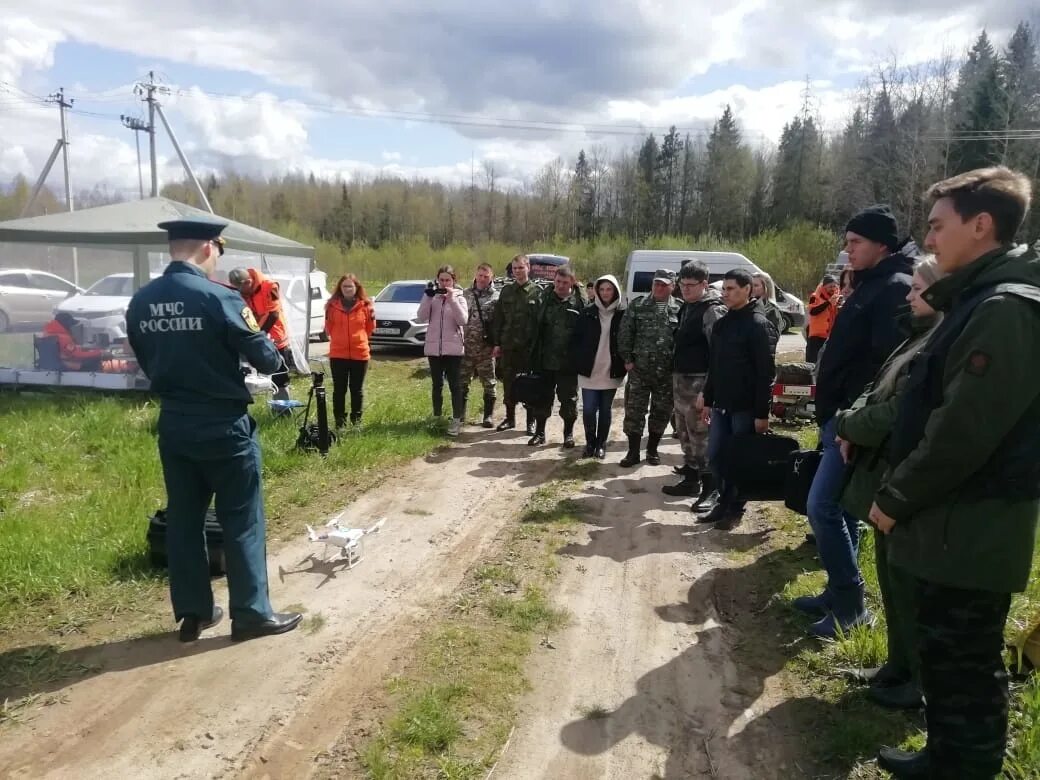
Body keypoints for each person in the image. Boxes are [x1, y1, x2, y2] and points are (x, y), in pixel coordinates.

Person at [867, 167, 1040, 780]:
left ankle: (961, 767)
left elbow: (962, 433)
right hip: (953, 520)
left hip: (972, 522)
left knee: (965, 661)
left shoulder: (1003, 311)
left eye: (938, 226)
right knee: (946, 655)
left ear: (981, 224)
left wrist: (894, 497)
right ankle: (946, 758)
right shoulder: (976, 302)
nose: (930, 240)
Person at [126, 217, 302, 643]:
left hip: (174, 423)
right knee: (241, 518)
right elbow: (266, 358)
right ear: (209, 247)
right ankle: (251, 614)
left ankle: (193, 613)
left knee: (185, 520)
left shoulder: (141, 301)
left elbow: (145, 357)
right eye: (219, 250)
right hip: (223, 425)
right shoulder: (218, 296)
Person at [795, 204, 914, 640]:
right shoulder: (870, 283)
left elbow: (887, 367)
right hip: (839, 417)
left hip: (853, 421)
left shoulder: (894, 287)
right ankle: (837, 592)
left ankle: (851, 605)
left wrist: (853, 422)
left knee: (821, 506)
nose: (847, 252)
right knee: (842, 509)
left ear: (882, 244)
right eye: (846, 243)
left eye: (855, 243)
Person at [833, 257, 945, 714]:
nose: (907, 295)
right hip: (883, 476)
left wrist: (848, 425)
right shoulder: (914, 338)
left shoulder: (939, 343)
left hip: (907, 479)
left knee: (908, 586)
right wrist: (849, 421)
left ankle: (916, 681)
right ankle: (896, 666)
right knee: (890, 580)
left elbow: (898, 411)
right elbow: (875, 389)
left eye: (917, 289)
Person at [695, 268, 777, 530]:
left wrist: (762, 414)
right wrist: (707, 399)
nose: (725, 293)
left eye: (731, 289)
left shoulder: (758, 325)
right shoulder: (722, 324)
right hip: (721, 406)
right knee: (717, 457)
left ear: (747, 290)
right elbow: (714, 368)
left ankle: (734, 508)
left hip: (745, 408)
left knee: (740, 461)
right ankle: (723, 501)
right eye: (724, 289)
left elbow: (766, 374)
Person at [663, 261, 726, 499]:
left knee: (701, 437)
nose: (685, 289)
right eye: (682, 284)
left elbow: (718, 355)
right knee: (684, 433)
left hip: (699, 384)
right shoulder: (686, 307)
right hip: (681, 382)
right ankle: (691, 480)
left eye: (691, 285)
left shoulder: (711, 310)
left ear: (704, 284)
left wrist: (707, 392)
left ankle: (710, 489)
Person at [617, 268, 682, 467]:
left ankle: (652, 450)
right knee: (634, 412)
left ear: (673, 286)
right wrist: (627, 360)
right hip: (639, 371)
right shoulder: (638, 305)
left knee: (661, 413)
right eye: (657, 283)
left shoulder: (680, 308)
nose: (659, 287)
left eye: (664, 284)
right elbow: (625, 333)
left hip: (666, 373)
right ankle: (633, 452)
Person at [527, 265, 584, 446]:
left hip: (568, 363)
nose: (560, 285)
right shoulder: (544, 299)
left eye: (564, 282)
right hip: (544, 360)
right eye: (558, 281)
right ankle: (540, 433)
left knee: (568, 400)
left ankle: (568, 434)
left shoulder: (579, 303)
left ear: (572, 283)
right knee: (542, 398)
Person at [573, 274, 626, 458]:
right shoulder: (587, 313)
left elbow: (627, 340)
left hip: (611, 370)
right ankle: (590, 443)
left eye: (609, 289)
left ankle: (601, 444)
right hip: (589, 370)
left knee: (605, 409)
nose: (605, 293)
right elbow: (576, 340)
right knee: (588, 409)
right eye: (602, 289)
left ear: (615, 291)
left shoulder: (622, 314)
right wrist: (578, 359)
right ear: (596, 291)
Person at [492, 254, 543, 434]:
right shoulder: (506, 291)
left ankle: (530, 422)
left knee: (529, 385)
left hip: (528, 349)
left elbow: (540, 322)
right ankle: (510, 418)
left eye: (521, 268)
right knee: (508, 384)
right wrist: (497, 344)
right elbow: (499, 319)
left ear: (528, 267)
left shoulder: (537, 292)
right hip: (508, 348)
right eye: (514, 269)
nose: (518, 272)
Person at [417, 265, 469, 437]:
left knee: (455, 385)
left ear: (454, 281)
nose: (444, 283)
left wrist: (452, 299)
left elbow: (462, 320)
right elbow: (421, 316)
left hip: (453, 349)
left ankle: (456, 420)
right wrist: (427, 296)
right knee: (436, 385)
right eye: (441, 280)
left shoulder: (460, 298)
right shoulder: (433, 298)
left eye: (448, 280)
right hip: (434, 349)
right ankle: (437, 417)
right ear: (437, 280)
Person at [227, 267, 294, 401]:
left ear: (248, 282)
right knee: (254, 378)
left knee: (279, 377)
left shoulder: (270, 287)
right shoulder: (241, 293)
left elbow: (273, 314)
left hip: (275, 338)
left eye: (241, 289)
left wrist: (259, 337)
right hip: (256, 339)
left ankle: (284, 410)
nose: (241, 293)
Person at [324, 274, 374, 429]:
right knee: (339, 390)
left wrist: (357, 340)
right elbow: (328, 328)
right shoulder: (331, 306)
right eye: (344, 286)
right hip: (338, 354)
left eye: (350, 286)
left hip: (360, 354)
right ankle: (340, 422)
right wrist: (340, 340)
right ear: (340, 288)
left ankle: (356, 422)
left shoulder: (366, 306)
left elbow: (370, 328)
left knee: (356, 389)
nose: (347, 289)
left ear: (356, 288)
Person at [462, 263, 499, 428]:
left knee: (489, 383)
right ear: (475, 275)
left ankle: (488, 416)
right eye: (480, 276)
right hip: (465, 346)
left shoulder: (496, 297)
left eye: (486, 276)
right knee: (462, 382)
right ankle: (460, 415)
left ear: (491, 277)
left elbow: (499, 323)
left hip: (486, 348)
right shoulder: (465, 294)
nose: (482, 279)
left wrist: (497, 344)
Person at [41, 312, 109, 371]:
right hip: (66, 365)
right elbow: (77, 355)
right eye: (70, 324)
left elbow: (66, 350)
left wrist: (81, 348)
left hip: (51, 364)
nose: (71, 327)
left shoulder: (47, 334)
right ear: (65, 324)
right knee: (94, 361)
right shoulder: (63, 338)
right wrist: (99, 352)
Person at [805, 275, 840, 363]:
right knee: (812, 362)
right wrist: (828, 302)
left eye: (834, 286)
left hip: (830, 335)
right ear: (824, 287)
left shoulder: (837, 296)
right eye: (830, 286)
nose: (833, 288)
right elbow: (813, 311)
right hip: (816, 336)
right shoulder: (814, 297)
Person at [751, 272, 785, 339]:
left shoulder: (772, 310)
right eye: (751, 285)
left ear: (766, 287)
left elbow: (772, 338)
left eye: (756, 285)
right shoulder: (750, 304)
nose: (752, 288)